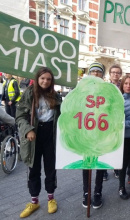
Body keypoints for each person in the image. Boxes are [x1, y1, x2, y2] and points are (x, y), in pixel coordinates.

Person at [16, 67, 61, 218]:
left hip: (50, 135)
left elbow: (62, 116)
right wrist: (28, 129)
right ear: (37, 78)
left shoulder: (55, 95)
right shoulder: (29, 94)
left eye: (48, 79)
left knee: (50, 168)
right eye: (42, 78)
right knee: (34, 169)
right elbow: (20, 116)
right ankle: (34, 201)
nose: (45, 81)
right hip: (33, 135)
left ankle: (51, 198)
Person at [81, 62, 106, 209]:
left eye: (99, 71)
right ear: (89, 73)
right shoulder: (82, 89)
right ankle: (86, 192)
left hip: (102, 131)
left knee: (101, 162)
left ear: (102, 75)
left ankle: (97, 191)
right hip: (86, 131)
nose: (96, 73)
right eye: (93, 71)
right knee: (86, 163)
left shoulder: (107, 89)